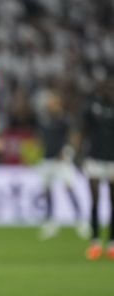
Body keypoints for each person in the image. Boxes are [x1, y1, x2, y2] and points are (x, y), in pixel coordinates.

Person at [37, 91, 90, 240]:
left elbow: (74, 137)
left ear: (58, 104)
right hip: (47, 159)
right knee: (47, 191)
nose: (50, 105)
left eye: (52, 102)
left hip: (61, 160)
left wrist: (67, 151)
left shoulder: (65, 119)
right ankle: (50, 222)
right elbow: (42, 138)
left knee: (69, 188)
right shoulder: (44, 119)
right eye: (49, 102)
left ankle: (81, 221)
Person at [81, 79, 114, 261]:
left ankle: (111, 243)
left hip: (112, 160)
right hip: (94, 159)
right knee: (94, 200)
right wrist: (78, 154)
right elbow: (83, 130)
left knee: (112, 201)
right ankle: (95, 243)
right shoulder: (92, 107)